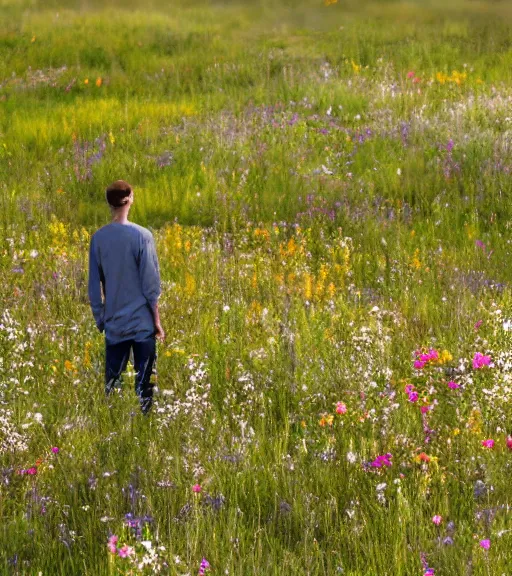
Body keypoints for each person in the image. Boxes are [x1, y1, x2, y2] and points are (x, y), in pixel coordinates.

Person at [88, 180, 165, 414]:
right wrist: (157, 322)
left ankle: (114, 429)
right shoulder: (143, 236)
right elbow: (151, 285)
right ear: (130, 198)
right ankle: (145, 430)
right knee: (145, 388)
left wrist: (101, 319)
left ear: (108, 203)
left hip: (115, 326)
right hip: (142, 324)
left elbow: (94, 286)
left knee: (113, 388)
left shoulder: (98, 239)